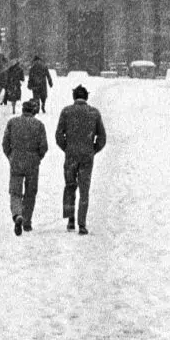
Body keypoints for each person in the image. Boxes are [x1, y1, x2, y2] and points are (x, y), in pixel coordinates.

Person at [54, 82, 107, 235]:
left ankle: (70, 219)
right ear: (86, 97)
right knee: (84, 190)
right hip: (86, 157)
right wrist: (92, 149)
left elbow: (59, 135)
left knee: (70, 186)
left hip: (71, 156)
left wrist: (67, 148)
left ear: (74, 97)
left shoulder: (66, 112)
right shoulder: (94, 113)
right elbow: (102, 137)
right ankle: (82, 223)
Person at [1, 96, 48, 234]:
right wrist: (37, 157)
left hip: (16, 161)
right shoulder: (39, 125)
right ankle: (27, 221)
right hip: (32, 163)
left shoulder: (12, 122)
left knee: (15, 191)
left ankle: (17, 214)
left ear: (22, 110)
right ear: (33, 111)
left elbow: (5, 144)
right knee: (30, 192)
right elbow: (44, 146)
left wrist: (11, 156)